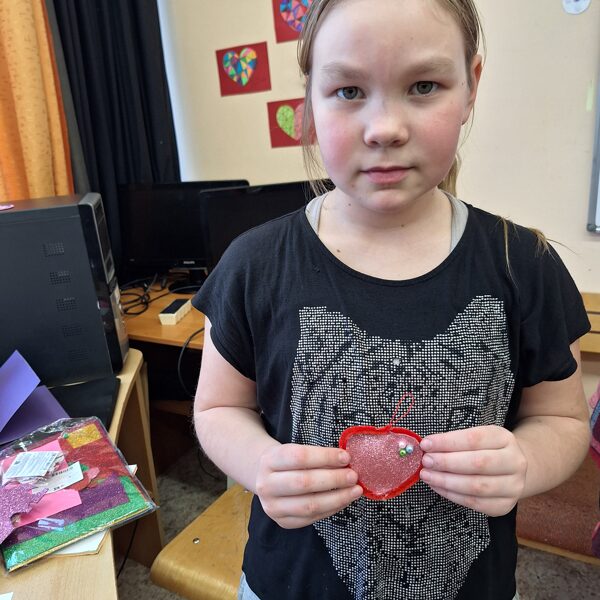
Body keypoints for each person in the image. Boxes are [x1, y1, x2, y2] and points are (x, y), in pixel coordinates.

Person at [192, 0, 591, 598]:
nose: (384, 128)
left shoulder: (523, 265)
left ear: (471, 86)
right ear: (311, 100)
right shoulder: (253, 265)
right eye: (349, 91)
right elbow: (217, 409)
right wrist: (258, 464)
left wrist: (526, 462)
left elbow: (562, 419)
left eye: (423, 86)